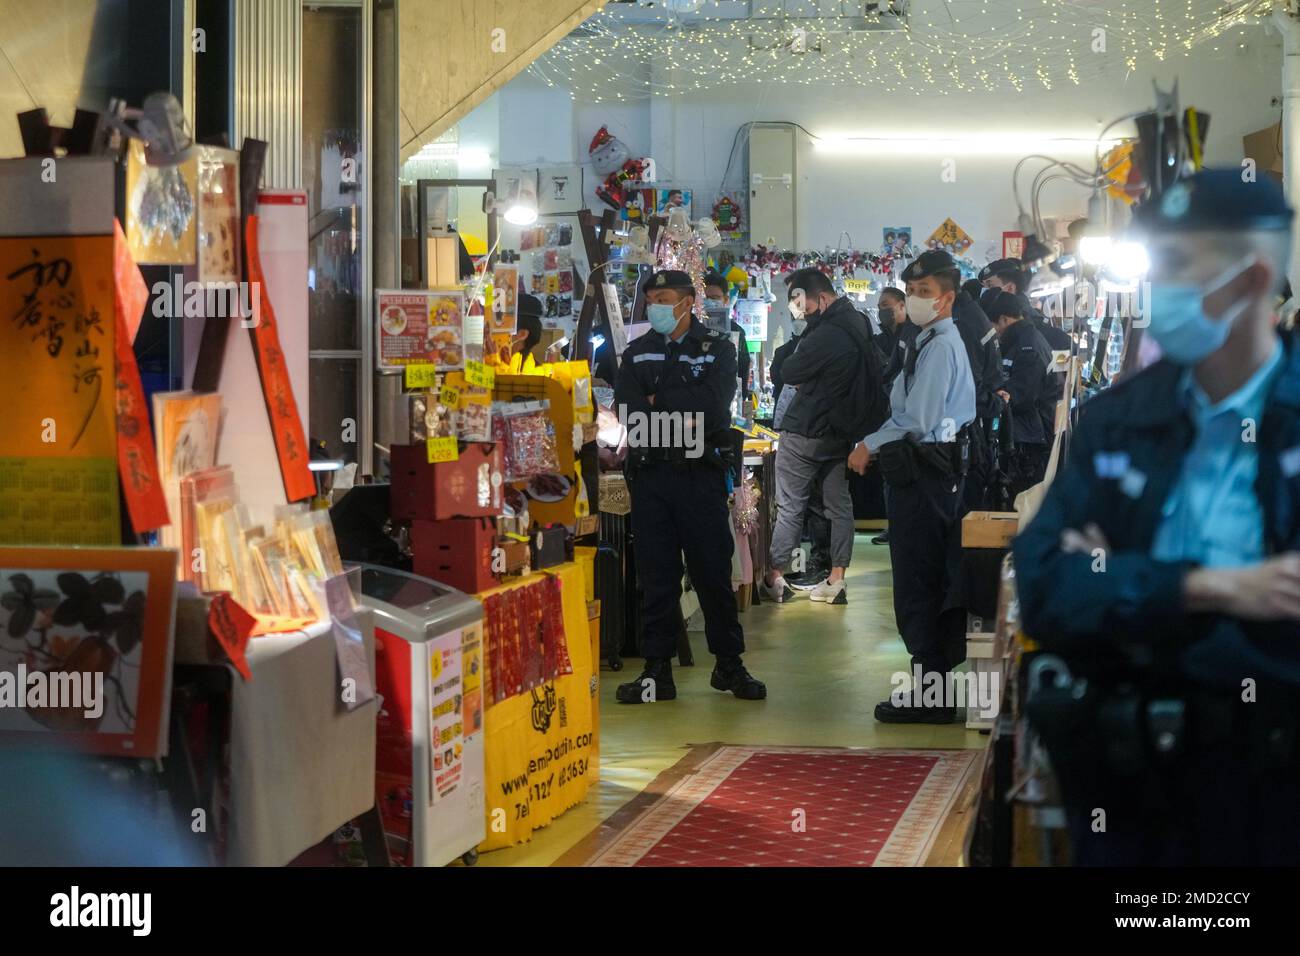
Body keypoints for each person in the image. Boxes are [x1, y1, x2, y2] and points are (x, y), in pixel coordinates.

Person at [1014, 168, 1300, 865]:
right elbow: (1046, 585)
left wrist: (1119, 583)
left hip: (1273, 795)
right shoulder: (1119, 420)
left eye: (1177, 267)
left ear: (1252, 278)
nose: (1159, 291)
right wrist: (1210, 587)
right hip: (1128, 789)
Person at [613, 269, 766, 703]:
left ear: (686, 300)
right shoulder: (637, 351)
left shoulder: (718, 348)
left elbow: (714, 408)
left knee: (712, 575)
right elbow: (628, 409)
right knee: (656, 577)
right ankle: (656, 671)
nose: (654, 306)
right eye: (651, 299)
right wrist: (675, 404)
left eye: (663, 297)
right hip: (653, 478)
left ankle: (729, 665)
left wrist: (659, 401)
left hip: (700, 477)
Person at [848, 249, 975, 723]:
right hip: (923, 474)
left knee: (920, 582)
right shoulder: (923, 340)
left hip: (927, 472)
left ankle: (932, 696)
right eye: (913, 292)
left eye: (925, 293)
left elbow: (918, 421)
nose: (917, 300)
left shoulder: (940, 345)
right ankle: (931, 690)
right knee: (919, 581)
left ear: (946, 299)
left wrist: (869, 443)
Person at [761, 268, 887, 606]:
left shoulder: (826, 332)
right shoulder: (859, 324)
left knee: (790, 506)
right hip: (840, 433)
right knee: (839, 505)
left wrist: (802, 358)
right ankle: (836, 579)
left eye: (800, 302)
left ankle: (775, 576)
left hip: (804, 431)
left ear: (822, 298)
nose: (799, 311)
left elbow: (788, 371)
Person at [770, 306, 832, 586]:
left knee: (798, 508)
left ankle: (784, 572)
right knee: (807, 508)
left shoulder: (805, 358)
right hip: (804, 433)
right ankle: (798, 567)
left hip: (802, 435)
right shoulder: (789, 353)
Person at [985, 290, 1053, 497]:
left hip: (1028, 439)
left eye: (993, 326)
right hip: (1019, 432)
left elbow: (1022, 393)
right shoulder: (1015, 340)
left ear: (1004, 319)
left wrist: (990, 399)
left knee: (1021, 500)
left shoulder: (1028, 344)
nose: (993, 332)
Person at [703, 271, 751, 403]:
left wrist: (743, 397)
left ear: (725, 299)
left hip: (728, 399)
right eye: (706, 297)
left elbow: (743, 364)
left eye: (715, 297)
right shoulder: (693, 328)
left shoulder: (737, 331)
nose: (710, 302)